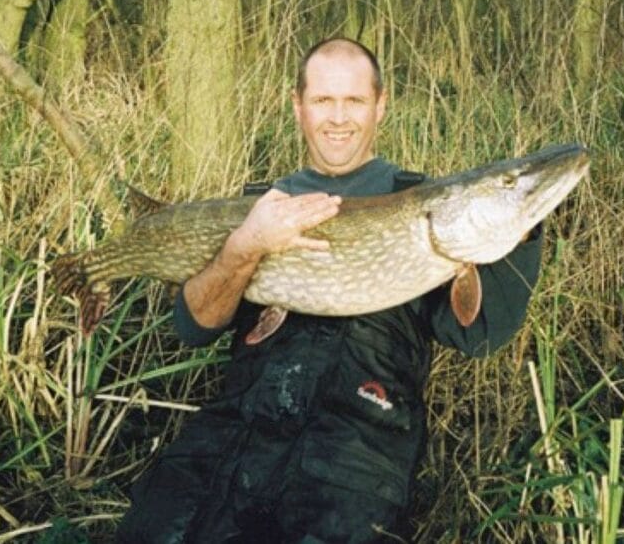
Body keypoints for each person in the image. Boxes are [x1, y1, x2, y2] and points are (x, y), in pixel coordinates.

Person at [116, 38, 542, 543]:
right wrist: (245, 246)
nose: (338, 118)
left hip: (353, 457)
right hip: (233, 442)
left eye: (354, 101)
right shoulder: (260, 204)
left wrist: (522, 229)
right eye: (323, 100)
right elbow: (193, 328)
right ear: (299, 106)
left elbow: (481, 336)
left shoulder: (423, 204)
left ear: (380, 105)